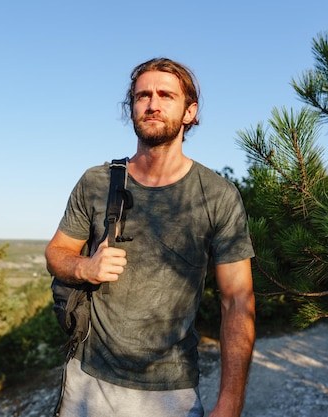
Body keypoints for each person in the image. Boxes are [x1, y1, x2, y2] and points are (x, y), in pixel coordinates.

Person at [45, 57, 256, 417]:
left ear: (189, 112)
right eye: (143, 95)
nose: (152, 104)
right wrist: (85, 268)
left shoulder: (218, 195)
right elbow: (57, 252)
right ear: (131, 109)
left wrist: (231, 401)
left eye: (165, 95)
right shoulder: (97, 181)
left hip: (171, 394)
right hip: (88, 381)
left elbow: (237, 300)